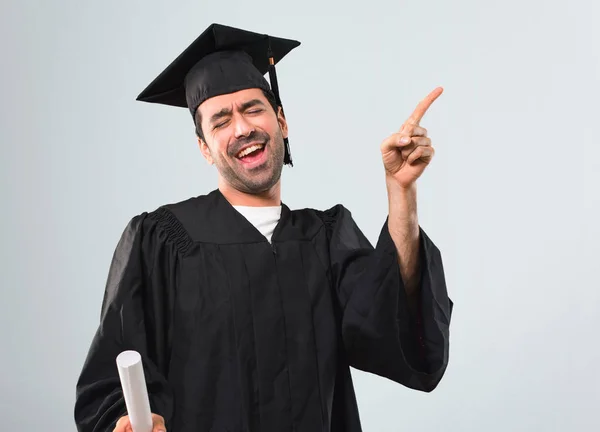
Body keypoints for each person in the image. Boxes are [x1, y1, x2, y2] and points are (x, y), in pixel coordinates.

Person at [74, 23, 454, 432]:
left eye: (252, 109)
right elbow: (111, 376)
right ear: (204, 148)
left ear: (281, 122)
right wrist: (122, 421)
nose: (242, 128)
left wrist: (401, 192)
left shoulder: (325, 239)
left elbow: (389, 324)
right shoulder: (162, 241)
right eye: (220, 121)